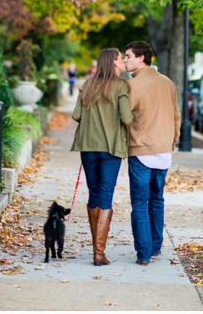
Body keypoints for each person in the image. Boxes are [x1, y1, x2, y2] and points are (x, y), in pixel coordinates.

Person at [70, 48, 133, 266]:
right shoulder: (121, 86)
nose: (124, 62)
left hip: (88, 147)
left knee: (94, 193)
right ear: (113, 63)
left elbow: (76, 115)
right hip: (110, 148)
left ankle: (96, 250)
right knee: (106, 194)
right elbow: (126, 117)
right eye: (120, 58)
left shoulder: (87, 85)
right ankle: (99, 253)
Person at [124, 40, 180, 266]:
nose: (125, 60)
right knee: (156, 200)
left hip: (141, 150)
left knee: (139, 202)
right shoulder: (168, 83)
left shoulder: (133, 87)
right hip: (164, 151)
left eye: (128, 56)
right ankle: (155, 247)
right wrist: (173, 142)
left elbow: (123, 117)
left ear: (141, 58)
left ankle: (144, 253)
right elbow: (176, 116)